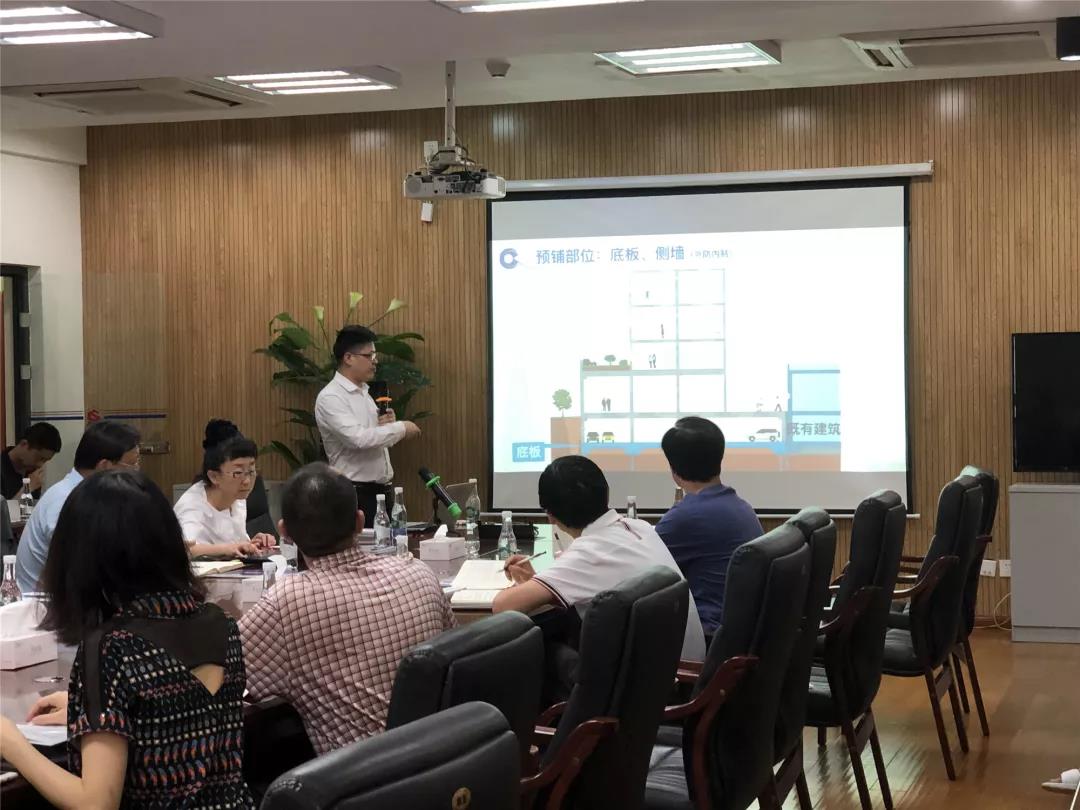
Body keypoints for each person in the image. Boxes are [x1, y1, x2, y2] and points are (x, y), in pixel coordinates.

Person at [0, 470, 254, 808]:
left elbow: (95, 803)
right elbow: (176, 710)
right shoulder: (222, 624)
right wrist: (92, 711)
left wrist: (11, 742)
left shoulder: (112, 646)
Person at [239, 463, 453, 755]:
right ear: (360, 521)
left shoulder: (287, 601)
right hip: (444, 759)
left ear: (284, 532)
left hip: (365, 776)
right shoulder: (417, 571)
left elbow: (226, 676)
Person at [493, 455, 706, 662]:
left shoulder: (588, 553)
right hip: (685, 665)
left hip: (659, 677)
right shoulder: (639, 527)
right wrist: (538, 582)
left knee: (529, 647)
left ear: (550, 516)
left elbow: (503, 606)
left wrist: (530, 585)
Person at [656, 417, 763, 636]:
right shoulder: (740, 505)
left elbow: (640, 568)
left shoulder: (685, 517)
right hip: (739, 633)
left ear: (674, 469)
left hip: (707, 636)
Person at [14, 421, 140, 594]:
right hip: (44, 603)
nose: (137, 471)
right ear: (104, 466)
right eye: (132, 464)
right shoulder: (64, 500)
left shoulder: (91, 494)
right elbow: (80, 569)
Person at [315, 325, 421, 527]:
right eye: (369, 355)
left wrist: (386, 426)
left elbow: (373, 438)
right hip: (355, 495)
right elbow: (359, 439)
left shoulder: (364, 392)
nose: (375, 361)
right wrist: (401, 428)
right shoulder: (331, 397)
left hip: (381, 493)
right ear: (348, 358)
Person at [174, 419, 274, 558]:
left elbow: (234, 545)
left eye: (251, 471)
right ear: (214, 476)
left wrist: (251, 544)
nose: (246, 481)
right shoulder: (192, 506)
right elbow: (183, 550)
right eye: (238, 473)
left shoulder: (237, 498)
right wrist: (227, 548)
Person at [1, 422, 62, 500]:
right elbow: (3, 508)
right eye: (39, 458)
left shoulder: (33, 472)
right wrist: (28, 488)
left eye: (45, 461)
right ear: (24, 444)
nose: (40, 465)